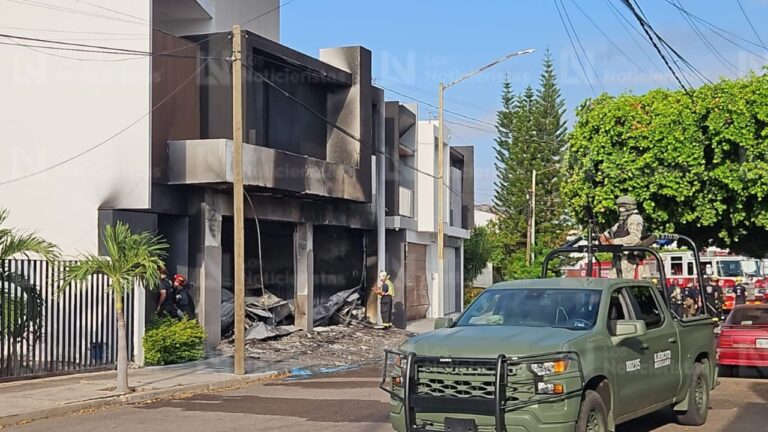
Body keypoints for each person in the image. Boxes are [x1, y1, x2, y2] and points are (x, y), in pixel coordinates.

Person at [599, 196, 645, 279]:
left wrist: (614, 242)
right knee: (613, 281)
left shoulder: (635, 218)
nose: (619, 210)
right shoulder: (623, 220)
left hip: (628, 258)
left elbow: (634, 238)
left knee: (623, 283)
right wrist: (603, 236)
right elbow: (613, 231)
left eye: (621, 207)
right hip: (618, 256)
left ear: (628, 206)